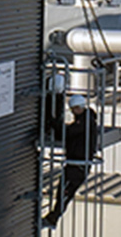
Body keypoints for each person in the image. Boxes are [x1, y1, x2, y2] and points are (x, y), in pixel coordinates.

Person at [43, 95, 100, 228]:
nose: (74, 112)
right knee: (63, 192)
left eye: (75, 109)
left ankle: (52, 218)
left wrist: (54, 123)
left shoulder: (84, 122)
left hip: (77, 166)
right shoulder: (86, 120)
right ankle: (52, 218)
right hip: (76, 165)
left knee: (65, 193)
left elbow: (69, 133)